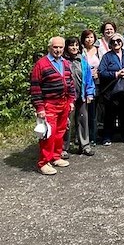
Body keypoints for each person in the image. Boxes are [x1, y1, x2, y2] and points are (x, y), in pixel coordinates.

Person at [30, 36, 75, 175]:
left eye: (61, 47)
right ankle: (43, 162)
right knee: (48, 134)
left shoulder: (66, 63)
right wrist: (40, 108)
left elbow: (70, 83)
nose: (58, 50)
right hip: (49, 104)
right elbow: (35, 88)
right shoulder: (41, 64)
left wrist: (71, 100)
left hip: (64, 103)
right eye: (55, 47)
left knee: (60, 132)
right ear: (50, 47)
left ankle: (56, 156)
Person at [63, 37, 95, 156]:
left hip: (81, 96)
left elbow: (88, 78)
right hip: (67, 98)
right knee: (66, 123)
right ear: (67, 47)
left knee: (83, 120)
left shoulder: (82, 60)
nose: (74, 47)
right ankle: (63, 148)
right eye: (71, 45)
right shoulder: (62, 61)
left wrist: (90, 93)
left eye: (76, 45)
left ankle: (84, 146)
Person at [98, 33, 124, 146]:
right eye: (113, 42)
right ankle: (107, 136)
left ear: (122, 42)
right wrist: (116, 74)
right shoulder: (107, 56)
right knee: (109, 114)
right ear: (110, 44)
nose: (116, 43)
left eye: (118, 41)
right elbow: (101, 72)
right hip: (111, 90)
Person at [81, 29, 101, 146]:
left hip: (96, 83)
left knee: (93, 111)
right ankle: (82, 136)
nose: (89, 39)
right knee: (82, 112)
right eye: (87, 37)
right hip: (83, 84)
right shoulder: (80, 51)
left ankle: (93, 137)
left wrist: (98, 73)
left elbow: (104, 64)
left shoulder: (98, 51)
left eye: (92, 37)